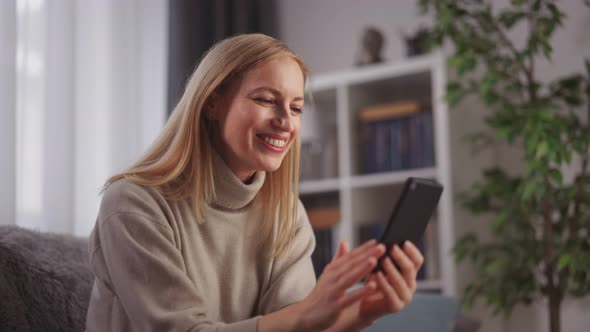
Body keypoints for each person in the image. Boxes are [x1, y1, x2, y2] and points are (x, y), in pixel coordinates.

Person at [85, 33, 424, 332]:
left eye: (296, 108)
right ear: (212, 103)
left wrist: (362, 315)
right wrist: (305, 314)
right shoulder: (133, 203)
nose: (285, 122)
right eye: (265, 100)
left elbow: (294, 327)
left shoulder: (285, 215)